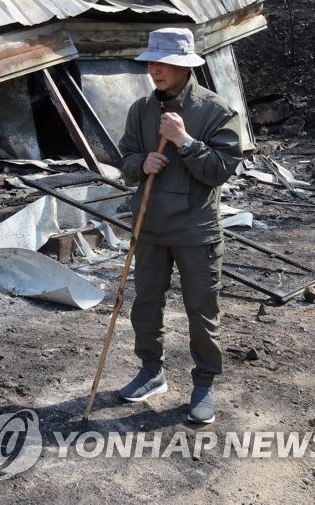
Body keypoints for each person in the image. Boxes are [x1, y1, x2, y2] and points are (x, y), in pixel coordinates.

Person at [116, 27, 243, 424]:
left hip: (195, 231)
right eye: (151, 62)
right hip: (150, 227)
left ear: (185, 67)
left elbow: (221, 171)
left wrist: (185, 142)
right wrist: (140, 164)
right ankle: (151, 372)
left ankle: (204, 384)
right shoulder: (140, 109)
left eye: (163, 62)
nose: (154, 69)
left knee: (201, 310)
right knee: (145, 305)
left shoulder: (216, 111)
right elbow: (125, 159)